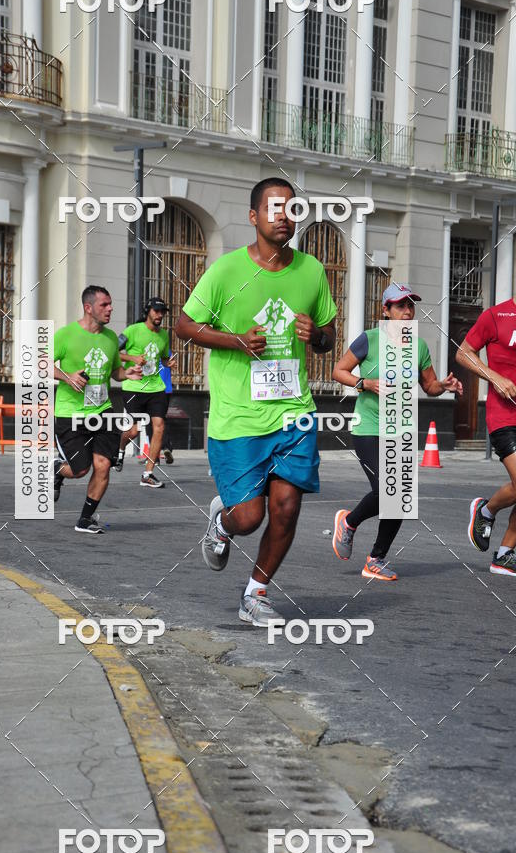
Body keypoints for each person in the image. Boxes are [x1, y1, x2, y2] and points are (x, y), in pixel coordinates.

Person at [175, 177, 337, 627]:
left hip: (294, 412)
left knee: (286, 507)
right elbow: (185, 326)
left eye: (292, 208)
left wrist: (317, 336)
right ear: (254, 216)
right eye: (274, 208)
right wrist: (237, 342)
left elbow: (329, 335)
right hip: (239, 415)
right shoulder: (227, 271)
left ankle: (256, 594)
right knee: (248, 517)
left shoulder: (311, 271)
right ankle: (222, 522)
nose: (284, 216)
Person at [331, 283, 462, 580]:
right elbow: (338, 371)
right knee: (385, 489)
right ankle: (349, 522)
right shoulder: (369, 339)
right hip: (368, 427)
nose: (407, 311)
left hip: (400, 429)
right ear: (386, 311)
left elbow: (429, 386)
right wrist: (366, 383)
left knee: (400, 497)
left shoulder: (419, 347)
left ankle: (375, 560)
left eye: (410, 305)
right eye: (400, 305)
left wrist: (444, 385)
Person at [53, 285, 142, 534]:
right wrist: (67, 376)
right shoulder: (66, 335)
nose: (110, 308)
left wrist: (127, 373)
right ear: (88, 307)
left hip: (102, 410)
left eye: (110, 304)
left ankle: (85, 519)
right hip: (71, 413)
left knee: (103, 464)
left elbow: (115, 371)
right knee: (80, 470)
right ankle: (57, 470)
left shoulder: (111, 338)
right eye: (104, 304)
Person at [456, 297, 516, 575]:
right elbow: (464, 353)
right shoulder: (496, 315)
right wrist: (495, 377)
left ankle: (504, 555)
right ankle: (486, 511)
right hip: (504, 417)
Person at [113, 297, 176, 488]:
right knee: (133, 430)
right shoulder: (132, 330)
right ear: (147, 311)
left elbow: (162, 358)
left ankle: (148, 474)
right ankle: (120, 448)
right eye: (156, 311)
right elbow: (112, 351)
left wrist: (167, 363)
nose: (160, 315)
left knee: (159, 427)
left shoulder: (164, 335)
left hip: (156, 388)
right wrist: (132, 357)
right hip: (134, 387)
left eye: (162, 312)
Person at [158, 353, 174, 464]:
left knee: (152, 421)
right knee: (162, 418)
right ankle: (166, 447)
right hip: (166, 389)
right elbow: (171, 362)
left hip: (153, 389)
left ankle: (155, 456)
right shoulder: (166, 349)